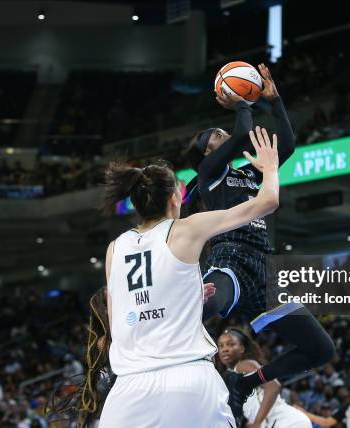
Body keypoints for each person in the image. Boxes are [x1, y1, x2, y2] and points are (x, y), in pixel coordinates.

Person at [97, 127, 280, 427]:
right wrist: (270, 168)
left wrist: (188, 293)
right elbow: (267, 202)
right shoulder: (186, 229)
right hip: (188, 382)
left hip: (128, 390)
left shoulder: (114, 249)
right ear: (174, 198)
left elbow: (124, 316)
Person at [183, 63, 335, 421]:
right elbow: (240, 135)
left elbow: (289, 145)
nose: (223, 135)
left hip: (265, 272)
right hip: (229, 259)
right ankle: (132, 362)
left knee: (320, 348)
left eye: (222, 132)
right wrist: (241, 103)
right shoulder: (210, 173)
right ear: (207, 153)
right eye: (215, 136)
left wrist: (275, 99)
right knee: (203, 306)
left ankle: (245, 383)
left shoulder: (250, 172)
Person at [218, 328, 311, 428]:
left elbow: (273, 386)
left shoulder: (243, 365)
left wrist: (257, 423)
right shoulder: (230, 376)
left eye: (231, 344)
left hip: (286, 422)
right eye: (221, 346)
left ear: (241, 348)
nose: (225, 349)